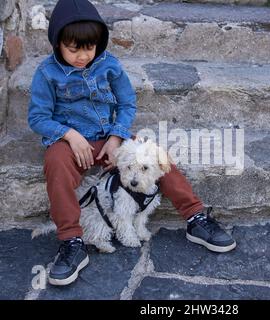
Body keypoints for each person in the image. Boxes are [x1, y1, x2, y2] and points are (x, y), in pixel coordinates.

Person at [28, 0, 236, 286]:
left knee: (154, 155)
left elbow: (127, 103)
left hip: (111, 137)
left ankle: (195, 217)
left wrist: (116, 138)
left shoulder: (109, 65)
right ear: (57, 43)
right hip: (71, 142)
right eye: (73, 49)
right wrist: (69, 135)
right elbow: (38, 117)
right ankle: (72, 241)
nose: (82, 56)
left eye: (89, 48)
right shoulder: (46, 73)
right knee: (55, 162)